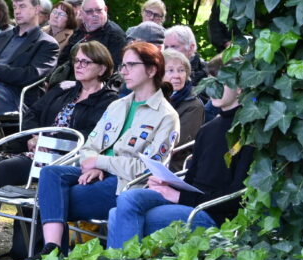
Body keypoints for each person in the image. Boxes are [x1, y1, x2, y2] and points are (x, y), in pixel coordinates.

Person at [0, 41, 117, 254]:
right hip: (36, 153)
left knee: (6, 168)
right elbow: (32, 112)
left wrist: (47, 141)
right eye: (76, 61)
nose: (78, 66)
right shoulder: (64, 91)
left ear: (102, 68)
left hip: (66, 161)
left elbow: (92, 137)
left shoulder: (108, 101)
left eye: (85, 62)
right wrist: (34, 135)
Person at [31, 42, 181, 258]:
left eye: (131, 65)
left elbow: (146, 169)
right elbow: (89, 146)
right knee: (50, 174)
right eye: (123, 65)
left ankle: (52, 258)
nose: (124, 71)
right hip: (96, 176)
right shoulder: (118, 105)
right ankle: (52, 250)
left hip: (125, 185)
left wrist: (101, 163)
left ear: (152, 70)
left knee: (52, 199)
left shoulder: (166, 116)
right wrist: (93, 164)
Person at [107, 82, 252, 248]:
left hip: (213, 213)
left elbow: (238, 197)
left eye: (221, 83)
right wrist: (169, 183)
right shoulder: (208, 130)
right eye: (211, 82)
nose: (213, 89)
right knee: (125, 200)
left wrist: (178, 196)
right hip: (191, 202)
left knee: (118, 216)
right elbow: (191, 180)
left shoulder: (249, 133)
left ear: (239, 87)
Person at [0, 0, 59, 116]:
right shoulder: (2, 37)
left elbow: (29, 75)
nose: (17, 11)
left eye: (22, 6)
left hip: (15, 95)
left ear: (37, 9)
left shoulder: (47, 44)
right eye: (15, 7)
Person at [56, 0, 128, 70]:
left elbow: (116, 69)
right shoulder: (80, 31)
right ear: (81, 13)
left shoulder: (115, 35)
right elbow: (63, 60)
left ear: (106, 10)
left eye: (99, 10)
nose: (95, 15)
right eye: (89, 11)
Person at [162, 48, 205, 168]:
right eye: (170, 71)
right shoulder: (152, 97)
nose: (176, 76)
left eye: (181, 70)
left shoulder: (193, 105)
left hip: (171, 166)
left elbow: (177, 144)